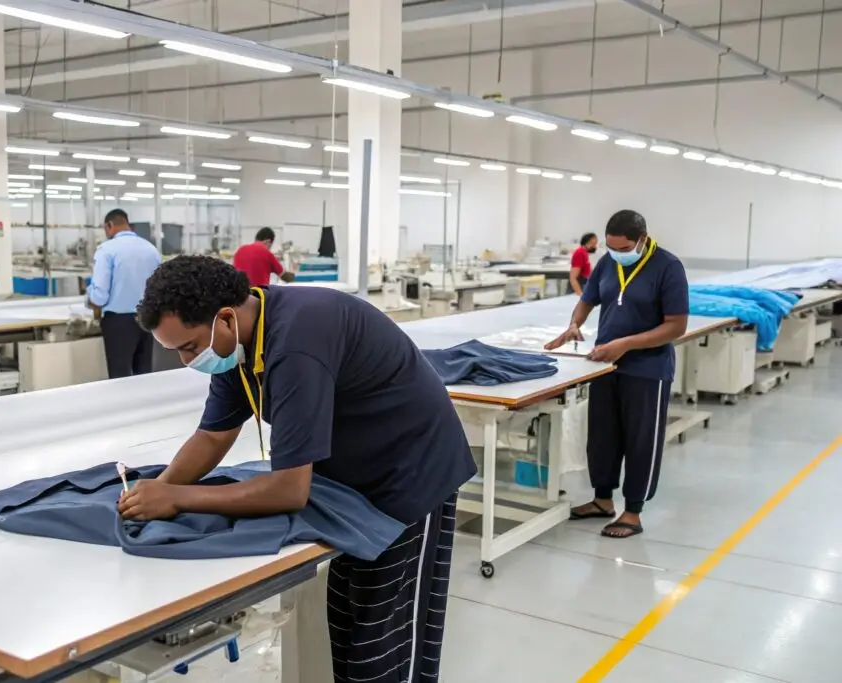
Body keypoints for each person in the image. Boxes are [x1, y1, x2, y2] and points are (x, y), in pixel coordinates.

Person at [124, 255, 476, 683]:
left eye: (189, 347)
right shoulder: (237, 343)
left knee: (387, 636)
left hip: (413, 472)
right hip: (353, 482)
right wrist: (155, 491)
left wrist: (177, 498)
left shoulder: (296, 342)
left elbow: (290, 490)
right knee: (350, 619)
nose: (186, 361)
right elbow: (213, 435)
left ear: (225, 318)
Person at [545, 210, 688, 539]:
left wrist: (626, 344)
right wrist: (573, 324)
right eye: (610, 247)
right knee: (602, 436)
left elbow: (676, 326)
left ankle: (633, 511)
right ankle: (602, 500)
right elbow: (589, 298)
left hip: (648, 369)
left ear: (642, 239)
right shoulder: (609, 264)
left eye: (624, 249)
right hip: (606, 364)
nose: (616, 255)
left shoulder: (667, 267)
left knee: (641, 440)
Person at [86, 209, 162, 379]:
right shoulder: (151, 249)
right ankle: (144, 405)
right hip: (148, 318)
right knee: (144, 372)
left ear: (109, 225)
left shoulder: (107, 250)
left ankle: (123, 405)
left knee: (119, 374)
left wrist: (89, 299)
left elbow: (99, 294)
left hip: (119, 322)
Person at [569, 232, 598, 297]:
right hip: (579, 286)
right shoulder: (579, 253)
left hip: (584, 284)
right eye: (593, 244)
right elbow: (573, 278)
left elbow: (588, 270)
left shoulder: (585, 253)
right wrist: (580, 294)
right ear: (587, 243)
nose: (595, 246)